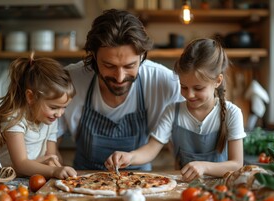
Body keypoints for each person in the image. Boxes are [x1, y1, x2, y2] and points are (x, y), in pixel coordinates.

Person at [57, 9, 182, 171]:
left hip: (141, 184)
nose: (120, 77)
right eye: (109, 66)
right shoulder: (69, 81)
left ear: (142, 56)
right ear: (93, 56)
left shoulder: (165, 82)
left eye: (130, 66)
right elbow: (50, 139)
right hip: (82, 180)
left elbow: (180, 144)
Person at [105, 38, 246, 181]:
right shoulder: (173, 111)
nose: (189, 95)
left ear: (218, 81)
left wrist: (204, 167)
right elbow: (151, 149)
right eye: (183, 86)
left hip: (222, 188)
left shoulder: (232, 113)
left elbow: (237, 164)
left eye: (198, 88)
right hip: (184, 187)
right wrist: (130, 156)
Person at [0, 53, 77, 179]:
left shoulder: (51, 119)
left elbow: (51, 155)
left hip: (31, 178)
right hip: (5, 181)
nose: (59, 114)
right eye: (54, 107)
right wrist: (53, 171)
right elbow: (21, 164)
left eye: (64, 107)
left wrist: (57, 164)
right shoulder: (15, 120)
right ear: (31, 97)